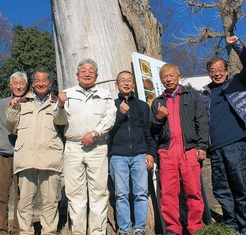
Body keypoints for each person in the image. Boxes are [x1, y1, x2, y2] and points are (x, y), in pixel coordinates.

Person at [54, 58, 117, 235]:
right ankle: (78, 232)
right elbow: (59, 121)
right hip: (73, 147)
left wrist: (95, 133)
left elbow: (110, 118)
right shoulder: (66, 94)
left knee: (99, 192)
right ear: (77, 74)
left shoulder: (105, 94)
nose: (87, 73)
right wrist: (59, 105)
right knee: (75, 194)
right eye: (83, 71)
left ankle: (97, 232)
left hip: (97, 147)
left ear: (96, 75)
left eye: (91, 71)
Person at [202, 36, 246, 235]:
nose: (217, 73)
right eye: (213, 70)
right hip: (214, 148)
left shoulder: (236, 83)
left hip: (236, 142)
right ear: (209, 73)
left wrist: (237, 46)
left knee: (241, 184)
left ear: (226, 71)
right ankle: (231, 224)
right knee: (221, 189)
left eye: (220, 69)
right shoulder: (204, 94)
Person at [149, 63, 209, 235]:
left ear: (178, 75)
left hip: (189, 150)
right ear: (161, 80)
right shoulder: (158, 102)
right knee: (168, 193)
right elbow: (152, 129)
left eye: (171, 75)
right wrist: (159, 118)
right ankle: (173, 228)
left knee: (194, 191)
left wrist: (202, 146)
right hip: (167, 152)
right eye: (164, 77)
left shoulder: (192, 96)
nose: (168, 79)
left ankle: (195, 227)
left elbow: (202, 122)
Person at [6, 69, 64, 235]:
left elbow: (62, 121)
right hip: (26, 157)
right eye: (37, 80)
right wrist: (13, 108)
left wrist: (60, 105)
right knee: (24, 202)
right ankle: (25, 232)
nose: (40, 83)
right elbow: (11, 126)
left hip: (50, 158)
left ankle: (49, 232)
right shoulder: (23, 102)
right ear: (32, 84)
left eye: (44, 80)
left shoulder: (56, 102)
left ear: (50, 83)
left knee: (50, 201)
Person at [109, 70, 156, 235]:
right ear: (117, 85)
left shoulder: (142, 106)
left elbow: (148, 131)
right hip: (118, 155)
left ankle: (139, 228)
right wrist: (120, 114)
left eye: (129, 80)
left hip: (139, 154)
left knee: (141, 193)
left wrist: (151, 153)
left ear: (133, 84)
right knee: (121, 194)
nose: (126, 83)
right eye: (122, 80)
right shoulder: (111, 104)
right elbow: (107, 130)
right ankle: (124, 229)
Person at [0, 72, 28, 235]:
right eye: (15, 83)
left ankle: (18, 229)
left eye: (21, 83)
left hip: (23, 154)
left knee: (22, 196)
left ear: (26, 85)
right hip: (3, 154)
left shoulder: (30, 103)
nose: (18, 86)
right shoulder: (2, 103)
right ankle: (2, 228)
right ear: (10, 85)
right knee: (2, 194)